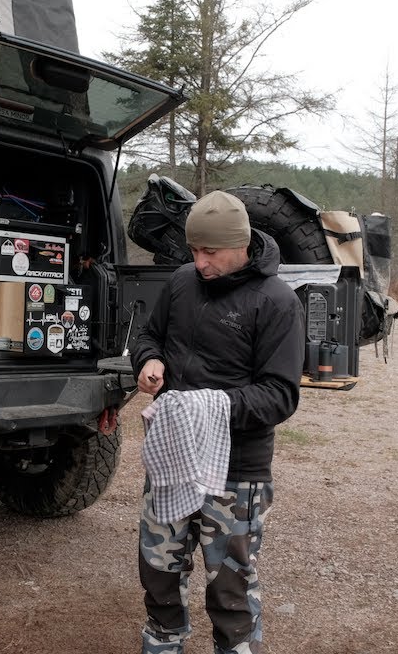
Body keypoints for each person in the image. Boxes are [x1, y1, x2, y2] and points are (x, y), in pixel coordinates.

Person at [131, 189, 304, 654]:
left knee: (230, 585)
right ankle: (163, 642)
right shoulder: (183, 282)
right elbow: (149, 335)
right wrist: (148, 361)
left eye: (210, 251)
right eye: (193, 250)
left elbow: (280, 396)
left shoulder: (277, 302)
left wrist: (207, 406)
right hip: (173, 456)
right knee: (159, 567)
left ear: (241, 244)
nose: (200, 261)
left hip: (236, 471)